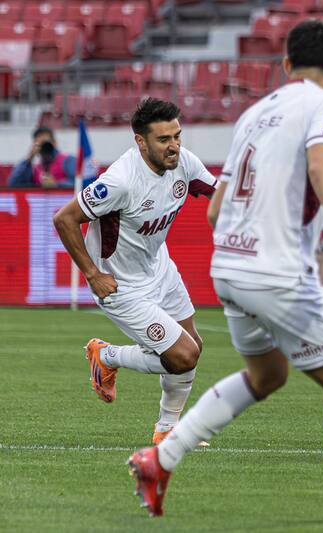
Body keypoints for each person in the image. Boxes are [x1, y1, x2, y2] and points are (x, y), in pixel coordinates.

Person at [126, 20, 323, 521]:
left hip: (230, 266)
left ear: (287, 64)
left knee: (266, 375)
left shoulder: (254, 114)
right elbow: (321, 165)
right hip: (277, 271)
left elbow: (215, 210)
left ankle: (159, 459)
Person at [52, 98, 217, 445]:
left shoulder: (184, 162)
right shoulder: (120, 181)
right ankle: (106, 355)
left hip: (160, 268)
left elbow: (218, 196)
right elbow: (64, 219)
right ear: (141, 141)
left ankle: (167, 430)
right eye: (163, 139)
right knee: (183, 356)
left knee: (194, 346)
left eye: (177, 136)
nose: (173, 145)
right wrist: (92, 274)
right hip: (121, 286)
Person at [9, 126, 76, 188]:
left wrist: (56, 185)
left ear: (55, 143)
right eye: (39, 144)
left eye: (45, 142)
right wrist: (29, 158)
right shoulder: (35, 168)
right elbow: (13, 184)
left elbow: (78, 183)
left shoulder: (68, 160)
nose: (43, 146)